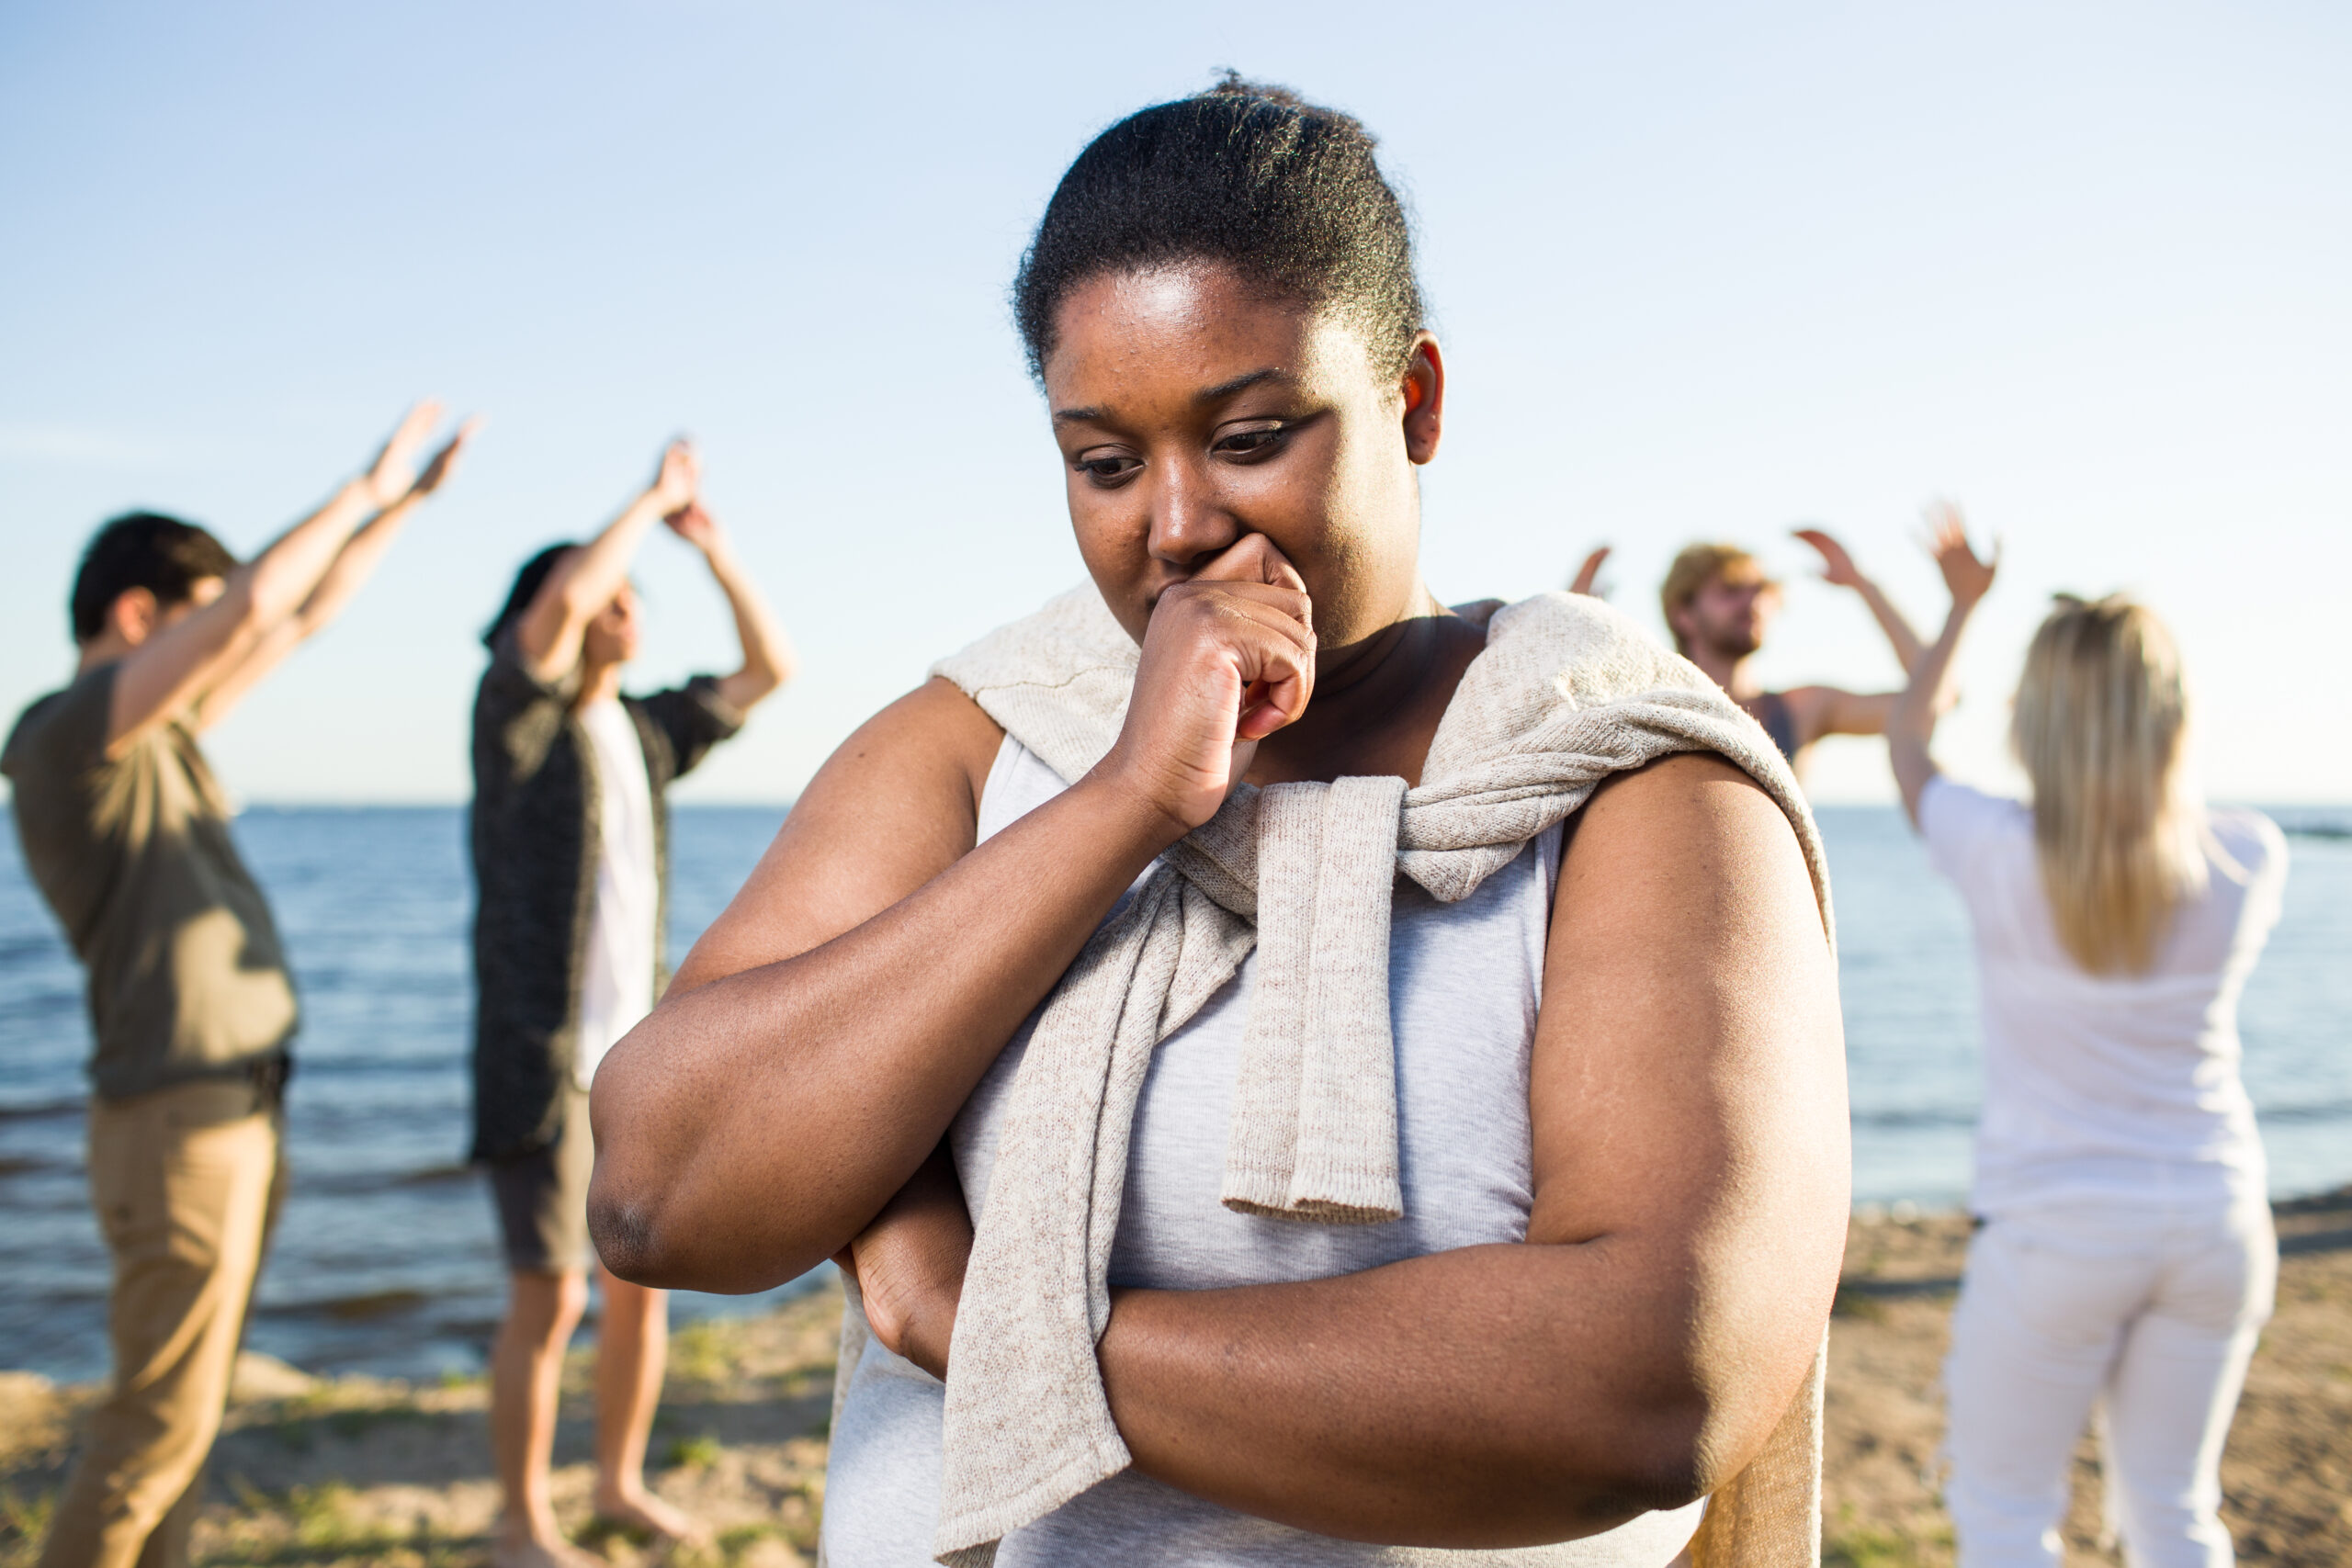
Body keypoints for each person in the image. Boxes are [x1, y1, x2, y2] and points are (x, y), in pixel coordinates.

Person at [586, 79, 1849, 1567]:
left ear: (1416, 400)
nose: (1174, 524)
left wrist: (984, 1329)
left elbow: (1650, 1381)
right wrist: (1126, 801)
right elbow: (658, 1192)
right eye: (1104, 463)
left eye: (1250, 435)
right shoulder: (994, 734)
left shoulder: (1628, 783)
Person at [3, 401, 471, 1568]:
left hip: (229, 1107)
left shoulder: (163, 738)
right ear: (136, 616)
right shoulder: (66, 739)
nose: (218, 642)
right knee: (153, 1427)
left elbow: (295, 618)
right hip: (179, 1117)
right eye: (192, 620)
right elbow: (258, 602)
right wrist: (362, 484)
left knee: (188, 1421)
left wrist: (402, 512)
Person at [1888, 507, 2287, 1567]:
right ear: (2170, 716)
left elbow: (1906, 741)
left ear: (2041, 719)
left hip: (2055, 1233)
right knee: (2172, 1511)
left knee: (2007, 1514)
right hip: (2214, 1220)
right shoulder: (2248, 857)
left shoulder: (1994, 848)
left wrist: (1961, 606)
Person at [469, 438, 794, 1568]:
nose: (623, 610)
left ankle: (613, 1485)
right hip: (538, 1060)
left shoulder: (642, 731)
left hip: (630, 1064)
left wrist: (713, 550)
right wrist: (650, 496)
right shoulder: (518, 718)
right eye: (611, 595)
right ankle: (520, 1521)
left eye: (631, 598)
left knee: (639, 1290)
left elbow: (768, 671)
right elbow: (558, 607)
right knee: (548, 1299)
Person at [1580, 530, 1930, 777]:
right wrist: (1572, 618)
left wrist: (1864, 585)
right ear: (1682, 613)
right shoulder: (1641, 707)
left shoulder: (1800, 709)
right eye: (1731, 591)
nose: (1754, 603)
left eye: (1761, 590)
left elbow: (1934, 701)